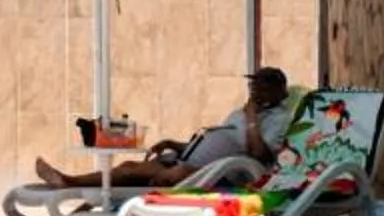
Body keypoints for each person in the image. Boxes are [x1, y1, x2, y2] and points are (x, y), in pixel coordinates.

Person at [34, 66, 294, 188]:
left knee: (166, 177)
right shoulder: (243, 112)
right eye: (252, 84)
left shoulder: (280, 118)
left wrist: (251, 118)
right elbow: (221, 140)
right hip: (193, 160)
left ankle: (144, 206)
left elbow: (259, 157)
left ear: (278, 89)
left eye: (260, 85)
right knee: (129, 169)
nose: (253, 89)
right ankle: (69, 182)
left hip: (226, 172)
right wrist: (174, 143)